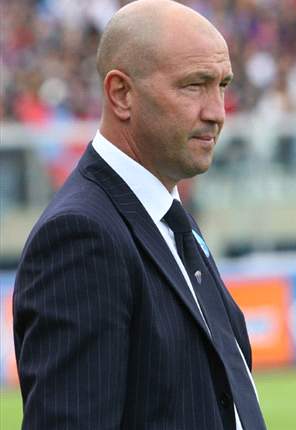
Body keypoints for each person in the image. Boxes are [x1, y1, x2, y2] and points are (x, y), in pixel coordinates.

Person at [12, 1, 267, 429]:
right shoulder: (81, 236)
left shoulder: (168, 217)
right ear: (121, 94)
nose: (216, 112)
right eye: (194, 85)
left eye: (222, 85)